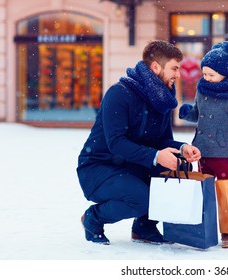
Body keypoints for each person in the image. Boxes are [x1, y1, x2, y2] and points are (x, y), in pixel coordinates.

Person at [77, 40, 201, 245]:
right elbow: (116, 143)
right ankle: (94, 218)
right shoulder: (119, 94)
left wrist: (182, 148)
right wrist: (155, 156)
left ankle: (144, 227)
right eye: (174, 68)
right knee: (141, 199)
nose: (178, 75)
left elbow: (163, 140)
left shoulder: (161, 100)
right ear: (155, 67)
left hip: (132, 165)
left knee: (180, 164)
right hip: (99, 168)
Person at [178, 41, 228, 249]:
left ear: (224, 73)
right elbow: (198, 114)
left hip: (225, 154)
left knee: (225, 195)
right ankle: (204, 229)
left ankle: (227, 233)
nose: (206, 78)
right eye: (204, 74)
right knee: (204, 194)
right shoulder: (203, 89)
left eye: (211, 74)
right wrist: (187, 113)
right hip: (202, 151)